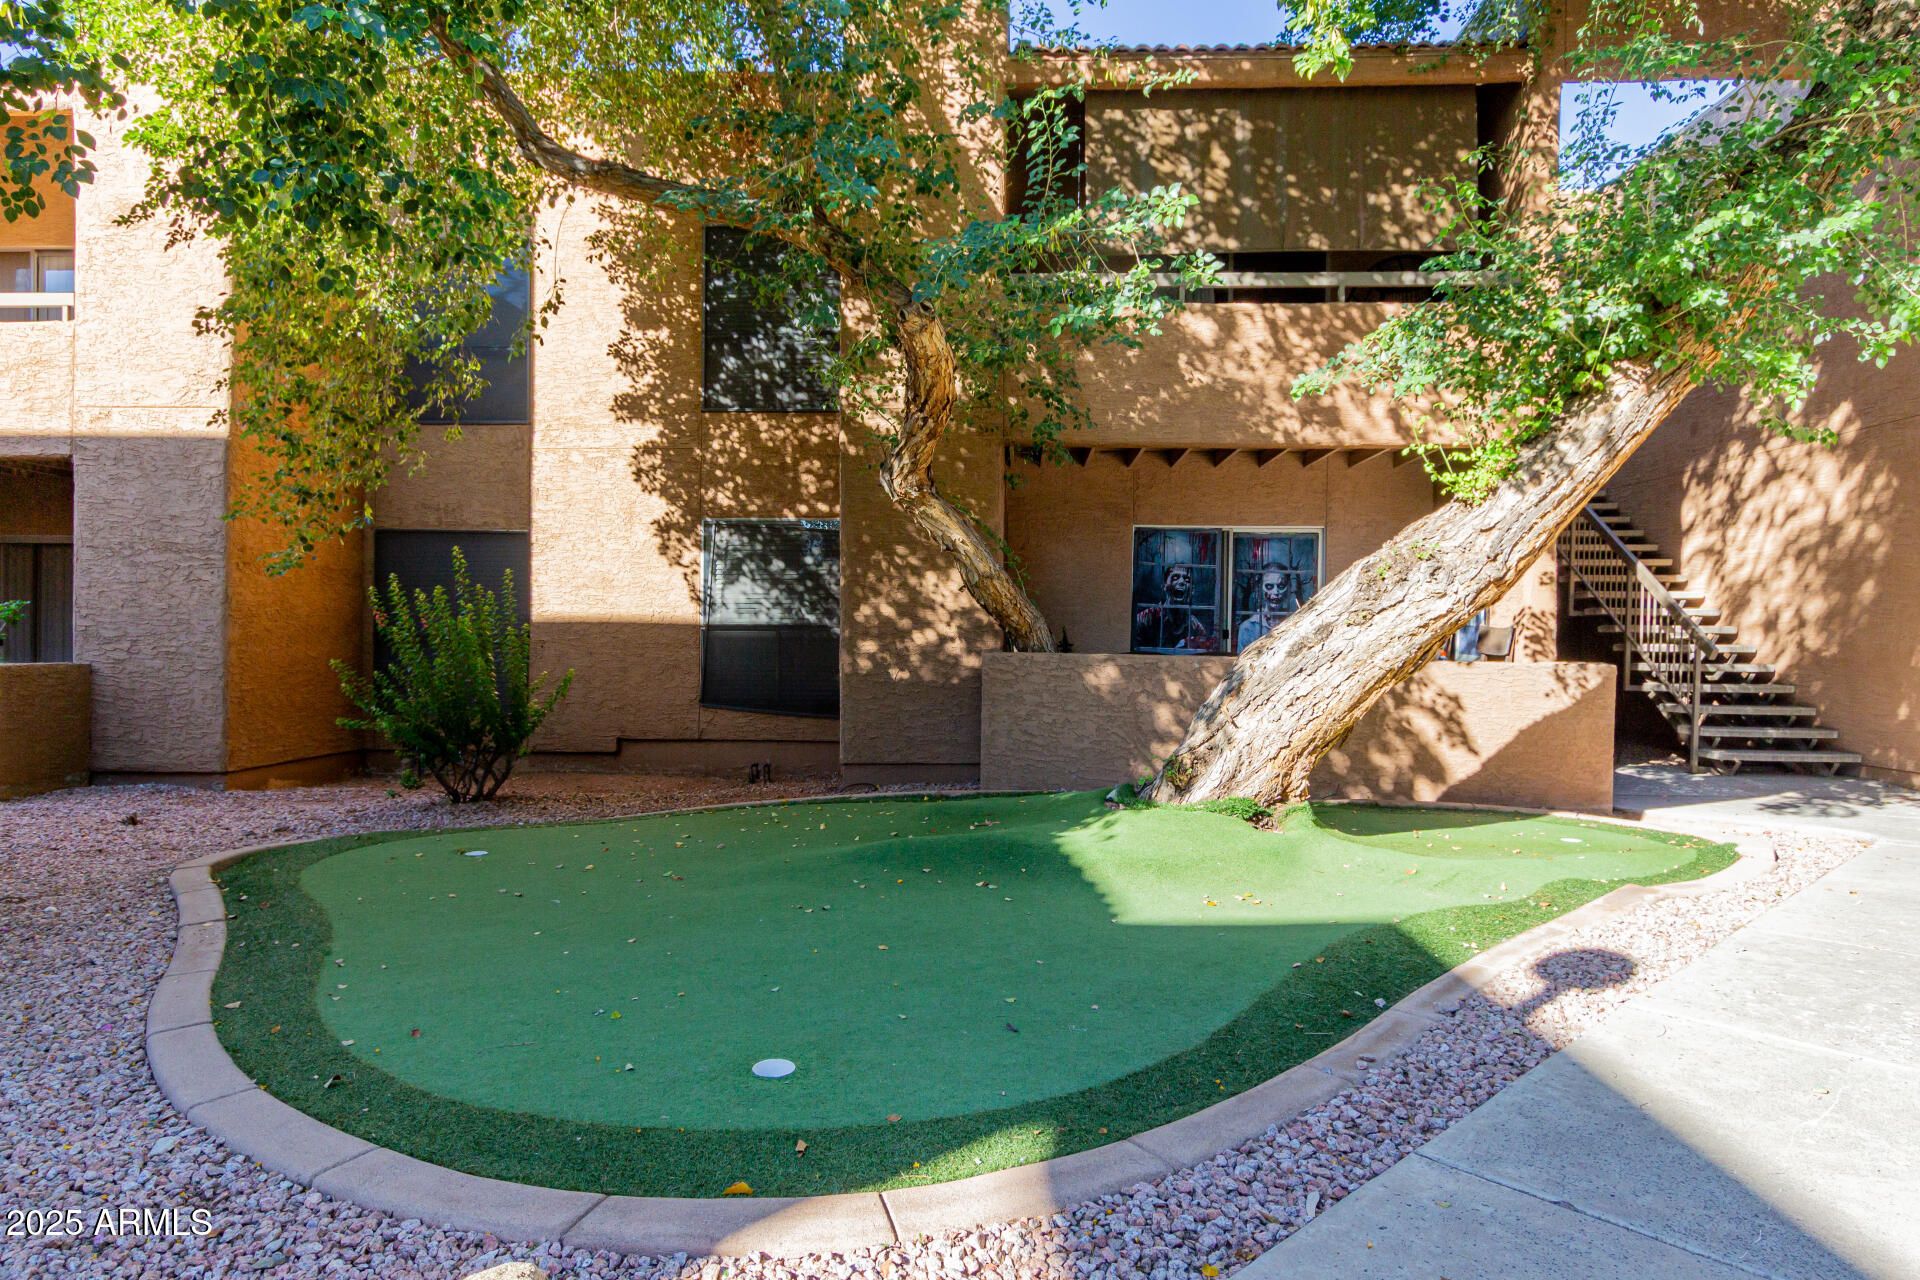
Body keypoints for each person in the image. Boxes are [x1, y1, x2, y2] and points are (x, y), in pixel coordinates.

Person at [1133, 563, 1218, 652]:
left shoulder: (1195, 626)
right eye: (1175, 577)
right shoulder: (1144, 619)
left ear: (1192, 590)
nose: (1181, 582)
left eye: (1187, 579)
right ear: (1164, 585)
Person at [1236, 568, 1295, 650]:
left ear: (1288, 589)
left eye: (1281, 586)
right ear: (1260, 590)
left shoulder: (1295, 623)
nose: (1276, 592)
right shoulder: (1248, 627)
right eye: (1269, 586)